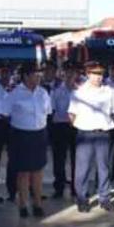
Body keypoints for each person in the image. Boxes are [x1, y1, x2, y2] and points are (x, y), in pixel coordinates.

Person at [1, 63, 52, 218]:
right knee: (23, 172)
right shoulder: (15, 93)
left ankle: (37, 204)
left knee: (38, 171)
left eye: (39, 75)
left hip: (39, 135)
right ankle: (22, 204)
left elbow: (48, 112)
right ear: (25, 76)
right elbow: (4, 112)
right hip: (21, 136)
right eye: (35, 75)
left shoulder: (43, 93)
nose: (38, 78)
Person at [68, 61, 114, 213]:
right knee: (82, 168)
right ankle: (82, 198)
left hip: (103, 132)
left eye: (100, 74)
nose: (98, 77)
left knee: (103, 167)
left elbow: (113, 110)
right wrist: (81, 125)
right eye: (95, 74)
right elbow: (71, 113)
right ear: (88, 74)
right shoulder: (79, 92)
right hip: (85, 133)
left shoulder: (109, 91)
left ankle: (104, 198)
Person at [50, 61, 80, 199]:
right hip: (60, 126)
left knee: (77, 160)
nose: (69, 75)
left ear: (76, 74)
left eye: (72, 73)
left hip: (76, 127)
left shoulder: (81, 91)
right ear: (63, 74)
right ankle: (59, 188)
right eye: (67, 73)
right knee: (59, 159)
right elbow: (52, 110)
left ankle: (76, 187)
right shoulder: (56, 90)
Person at [0, 63, 17, 202]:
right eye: (3, 73)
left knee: (13, 159)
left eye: (8, 73)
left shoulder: (15, 89)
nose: (5, 76)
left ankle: (12, 191)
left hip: (12, 124)